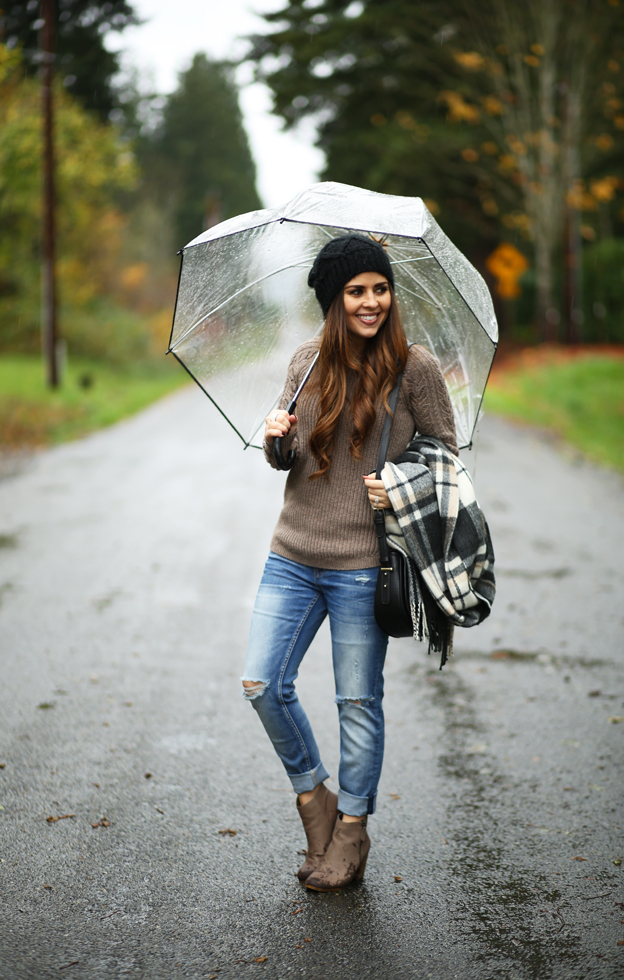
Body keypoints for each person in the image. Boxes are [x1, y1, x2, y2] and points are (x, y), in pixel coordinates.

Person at [241, 233, 458, 891]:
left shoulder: (413, 368)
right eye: (356, 291)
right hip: (293, 553)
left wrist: (400, 484)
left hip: (365, 563)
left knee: (358, 701)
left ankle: (352, 831)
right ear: (334, 300)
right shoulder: (307, 362)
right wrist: (277, 441)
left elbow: (445, 455)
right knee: (261, 684)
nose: (371, 302)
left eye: (379, 288)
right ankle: (316, 802)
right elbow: (292, 457)